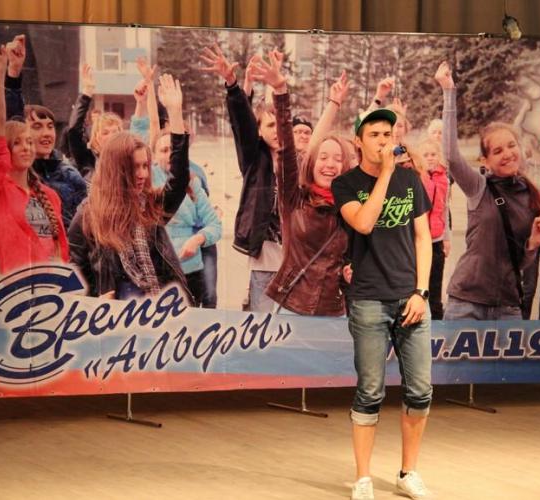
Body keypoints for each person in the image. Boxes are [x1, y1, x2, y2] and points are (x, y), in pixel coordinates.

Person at [332, 107, 434, 500]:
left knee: (420, 390)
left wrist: (422, 291)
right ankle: (363, 478)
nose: (383, 141)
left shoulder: (410, 180)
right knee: (371, 391)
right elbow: (364, 222)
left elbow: (423, 238)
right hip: (369, 300)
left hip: (411, 298)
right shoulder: (346, 184)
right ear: (358, 141)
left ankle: (409, 472)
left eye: (388, 134)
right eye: (374, 134)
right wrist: (387, 174)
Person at [437, 61, 540, 321]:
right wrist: (448, 91)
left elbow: (519, 263)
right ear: (485, 161)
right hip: (466, 303)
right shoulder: (479, 187)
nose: (507, 154)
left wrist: (533, 244)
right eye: (497, 151)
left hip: (507, 308)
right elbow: (451, 156)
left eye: (511, 146)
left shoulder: (531, 196)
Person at [68, 74, 191, 300]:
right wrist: (92, 303)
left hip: (161, 308)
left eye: (145, 166)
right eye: (134, 167)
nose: (143, 174)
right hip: (118, 317)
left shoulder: (149, 205)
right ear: (116, 169)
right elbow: (74, 271)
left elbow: (179, 181)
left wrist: (175, 114)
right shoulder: (89, 215)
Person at [248, 50, 351, 316]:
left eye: (337, 159)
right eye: (323, 157)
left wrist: (351, 270)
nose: (330, 164)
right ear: (311, 164)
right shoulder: (294, 198)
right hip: (292, 306)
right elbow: (286, 148)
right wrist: (280, 91)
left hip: (334, 311)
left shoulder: (351, 209)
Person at [0, 36, 69, 275]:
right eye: (17, 143)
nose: (26, 147)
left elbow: (61, 254)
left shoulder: (50, 196)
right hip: (15, 292)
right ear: (5, 150)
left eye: (29, 141)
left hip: (54, 291)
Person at [200, 45, 282, 312]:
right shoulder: (254, 159)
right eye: (270, 125)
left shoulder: (298, 162)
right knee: (264, 326)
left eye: (281, 124)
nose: (277, 130)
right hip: (266, 261)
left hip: (297, 261)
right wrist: (234, 85)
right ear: (259, 130)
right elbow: (243, 125)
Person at [3, 34, 87, 230]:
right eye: (37, 126)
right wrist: (14, 71)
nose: (47, 133)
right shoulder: (18, 172)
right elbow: (13, 118)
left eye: (50, 126)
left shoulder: (71, 176)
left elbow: (83, 230)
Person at [149, 127, 222, 308]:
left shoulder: (193, 181)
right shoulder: (147, 181)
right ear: (154, 155)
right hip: (159, 271)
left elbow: (214, 224)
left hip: (190, 269)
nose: (169, 155)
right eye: (164, 150)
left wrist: (198, 239)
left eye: (174, 150)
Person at [66, 63, 123, 179]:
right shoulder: (87, 160)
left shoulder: (129, 160)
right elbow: (74, 131)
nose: (111, 136)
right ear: (96, 138)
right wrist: (87, 93)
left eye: (115, 132)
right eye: (105, 133)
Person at [418, 138, 451, 319]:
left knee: (435, 286)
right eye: (426, 155)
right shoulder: (416, 178)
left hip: (437, 241)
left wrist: (446, 238)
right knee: (419, 286)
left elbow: (445, 209)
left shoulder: (444, 179)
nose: (430, 158)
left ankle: (437, 320)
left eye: (433, 154)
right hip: (418, 241)